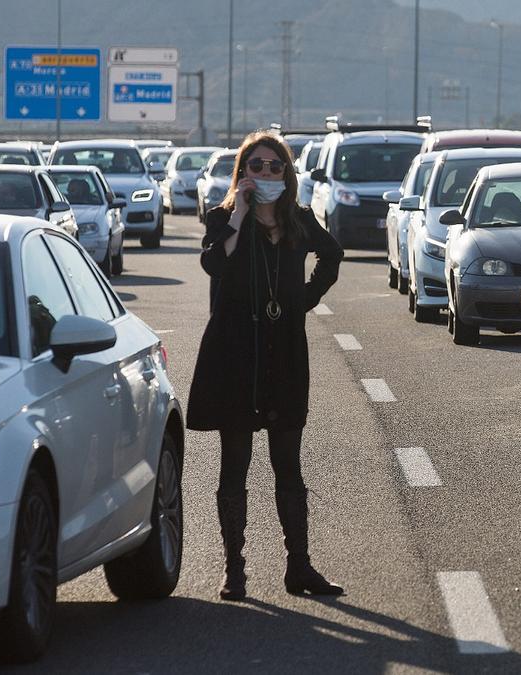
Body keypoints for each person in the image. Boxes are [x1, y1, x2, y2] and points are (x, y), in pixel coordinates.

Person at [186, 131, 346, 601]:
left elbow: (332, 256)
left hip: (285, 352)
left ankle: (300, 567)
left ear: (287, 173)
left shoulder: (297, 219)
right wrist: (237, 213)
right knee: (234, 467)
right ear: (243, 172)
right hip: (235, 353)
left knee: (288, 467)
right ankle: (234, 570)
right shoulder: (224, 220)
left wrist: (304, 300)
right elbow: (215, 264)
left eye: (275, 166)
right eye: (256, 166)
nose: (267, 173)